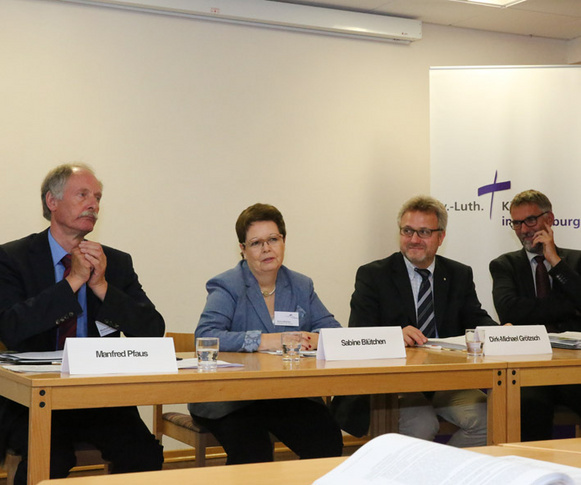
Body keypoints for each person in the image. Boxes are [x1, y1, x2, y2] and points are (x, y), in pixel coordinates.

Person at [0, 163, 165, 484]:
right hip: (34, 399)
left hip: (97, 397)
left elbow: (151, 329)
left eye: (98, 197)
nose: (94, 205)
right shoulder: (13, 257)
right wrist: (73, 280)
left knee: (143, 453)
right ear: (52, 201)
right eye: (83, 195)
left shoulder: (115, 262)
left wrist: (101, 285)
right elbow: (11, 328)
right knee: (50, 459)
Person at [188, 203, 343, 464]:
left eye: (273, 239)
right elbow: (206, 336)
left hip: (283, 393)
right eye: (256, 243)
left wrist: (315, 338)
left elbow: (333, 332)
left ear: (283, 241)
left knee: (326, 436)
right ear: (243, 249)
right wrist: (268, 340)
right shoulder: (227, 285)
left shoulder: (300, 285)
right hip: (230, 397)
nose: (266, 248)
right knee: (252, 449)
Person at [338, 195, 496, 447]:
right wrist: (393, 335)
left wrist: (503, 334)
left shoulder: (458, 274)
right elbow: (358, 332)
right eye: (407, 231)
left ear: (440, 237)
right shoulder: (373, 274)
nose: (413, 240)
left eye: (423, 232)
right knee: (422, 425)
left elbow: (475, 318)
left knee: (489, 419)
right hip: (395, 383)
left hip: (446, 380)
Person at [489, 189, 581, 441]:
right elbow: (510, 310)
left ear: (549, 219)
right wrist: (570, 306)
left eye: (530, 220)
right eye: (517, 223)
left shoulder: (576, 261)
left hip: (574, 366)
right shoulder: (504, 265)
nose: (524, 229)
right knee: (528, 407)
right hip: (528, 368)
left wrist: (555, 261)